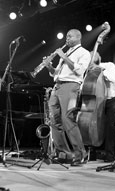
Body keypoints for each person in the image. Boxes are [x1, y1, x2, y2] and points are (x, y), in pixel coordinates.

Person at [45, 29, 91, 166]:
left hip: (71, 87)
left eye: (70, 36)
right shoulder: (66, 54)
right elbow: (56, 74)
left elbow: (79, 70)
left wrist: (63, 57)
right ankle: (63, 153)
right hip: (57, 87)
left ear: (78, 37)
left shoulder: (84, 53)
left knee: (67, 119)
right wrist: (49, 66)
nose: (67, 38)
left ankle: (81, 154)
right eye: (66, 36)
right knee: (54, 120)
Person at [90, 51, 115, 162]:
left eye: (94, 54)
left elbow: (112, 78)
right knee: (90, 124)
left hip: (111, 100)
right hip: (97, 100)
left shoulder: (109, 65)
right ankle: (91, 153)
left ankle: (110, 155)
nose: (92, 56)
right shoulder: (90, 70)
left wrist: (98, 69)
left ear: (99, 56)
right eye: (90, 55)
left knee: (110, 125)